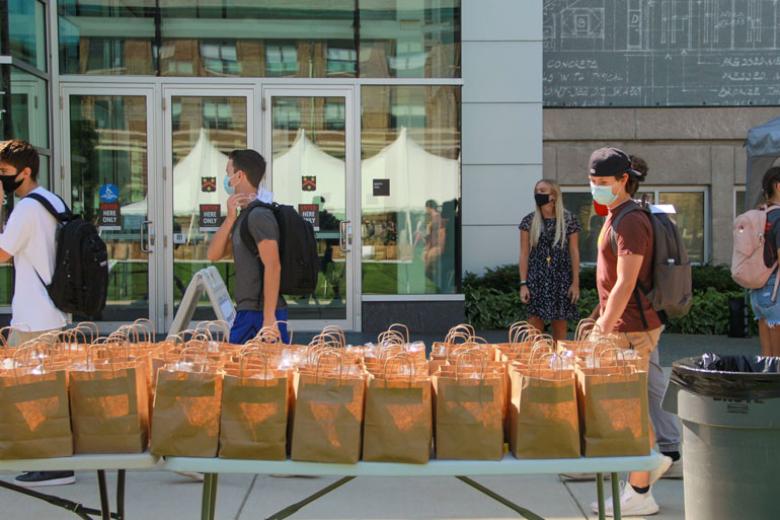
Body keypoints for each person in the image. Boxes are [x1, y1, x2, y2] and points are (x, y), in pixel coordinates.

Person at [587, 147, 673, 516]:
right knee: (632, 405)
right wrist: (599, 315)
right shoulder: (616, 214)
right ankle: (642, 478)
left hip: (631, 330)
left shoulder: (631, 221)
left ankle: (640, 490)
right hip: (625, 325)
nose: (596, 189)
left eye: (603, 183)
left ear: (624, 180)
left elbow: (625, 282)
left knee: (630, 410)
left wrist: (603, 330)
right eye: (592, 182)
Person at [0, 140, 74, 487]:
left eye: (3, 172)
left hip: (33, 315)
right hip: (53, 311)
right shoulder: (53, 200)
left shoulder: (27, 209)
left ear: (24, 172)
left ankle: (52, 464)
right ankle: (52, 458)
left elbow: (1, 254)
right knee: (46, 386)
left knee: (32, 390)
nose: (1, 178)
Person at [206, 149, 288, 344]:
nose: (226, 178)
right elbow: (214, 254)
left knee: (255, 369)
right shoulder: (244, 215)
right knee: (242, 369)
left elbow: (273, 265)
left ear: (239, 175)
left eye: (228, 173)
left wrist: (269, 319)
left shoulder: (259, 216)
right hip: (248, 311)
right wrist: (229, 219)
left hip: (260, 313)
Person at [519, 179, 581, 340]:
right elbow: (524, 253)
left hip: (561, 277)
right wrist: (523, 284)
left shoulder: (568, 220)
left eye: (542, 191)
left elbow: (574, 252)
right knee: (534, 327)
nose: (537, 194)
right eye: (536, 191)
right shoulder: (528, 221)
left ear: (553, 195)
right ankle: (536, 362)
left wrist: (575, 283)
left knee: (560, 326)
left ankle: (559, 362)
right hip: (536, 278)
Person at [751, 166, 780, 356]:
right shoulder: (779, 216)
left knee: (768, 358)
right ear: (778, 186)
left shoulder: (759, 214)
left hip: (758, 291)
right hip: (776, 291)